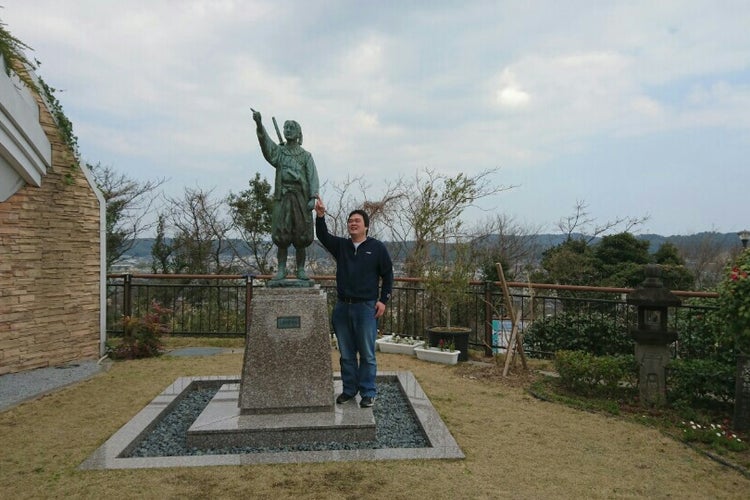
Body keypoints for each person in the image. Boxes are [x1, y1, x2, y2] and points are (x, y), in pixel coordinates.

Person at [314, 196, 393, 408]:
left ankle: (368, 391)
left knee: (367, 353)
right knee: (346, 353)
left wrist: (383, 300)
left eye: (357, 220)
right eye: (350, 220)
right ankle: (349, 389)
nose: (353, 223)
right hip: (342, 307)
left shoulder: (377, 248)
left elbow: (388, 275)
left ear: (366, 226)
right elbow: (322, 235)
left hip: (366, 307)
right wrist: (320, 215)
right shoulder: (342, 246)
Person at [252, 109, 319, 281]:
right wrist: (259, 124)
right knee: (282, 233)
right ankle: (281, 269)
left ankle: (301, 270)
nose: (288, 130)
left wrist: (313, 197)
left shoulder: (306, 156)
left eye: (291, 128)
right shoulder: (280, 153)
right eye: (285, 127)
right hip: (283, 196)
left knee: (301, 234)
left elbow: (312, 176)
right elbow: (266, 145)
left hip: (301, 197)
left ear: (298, 133)